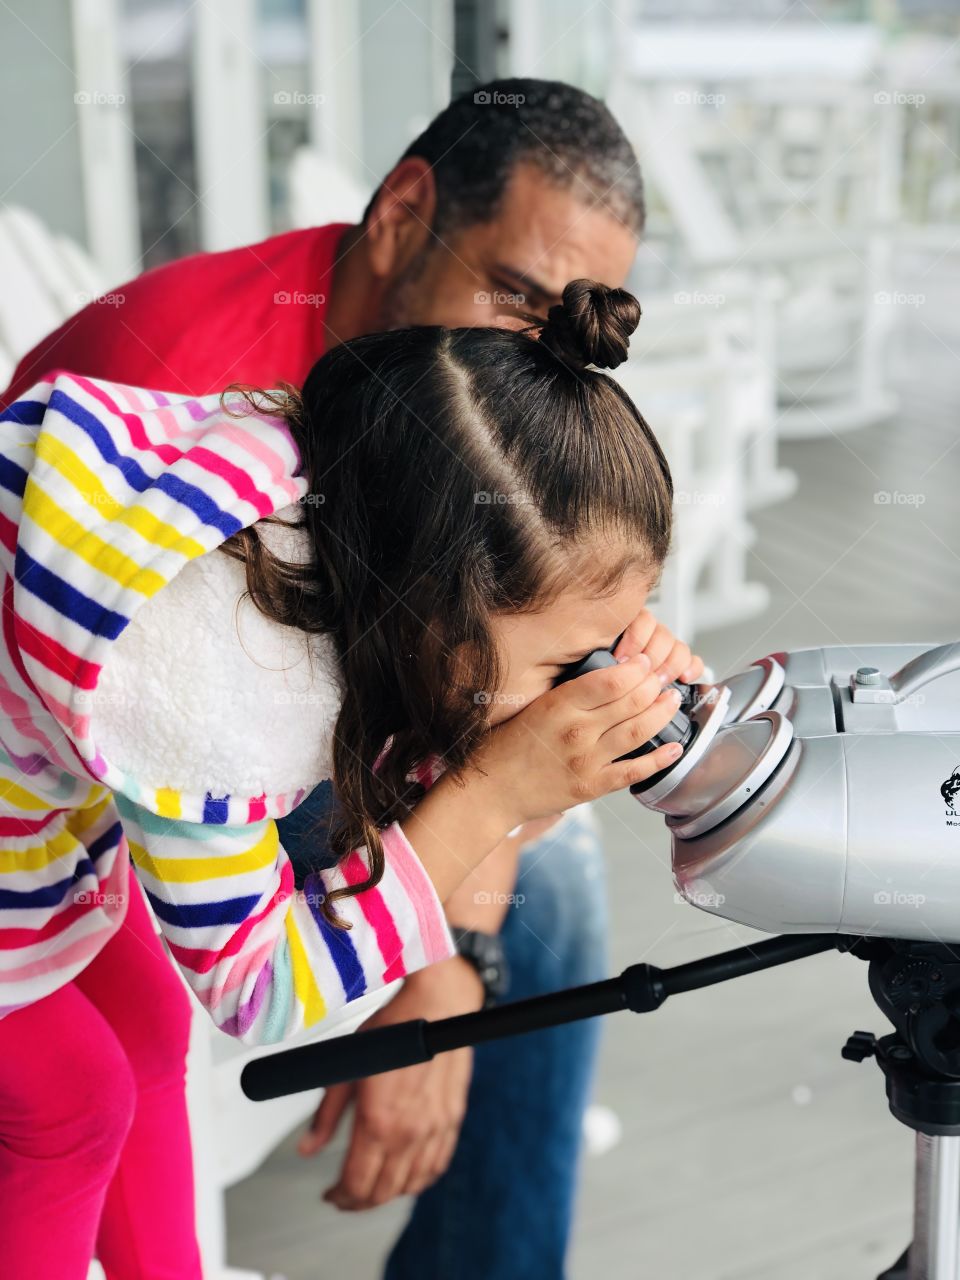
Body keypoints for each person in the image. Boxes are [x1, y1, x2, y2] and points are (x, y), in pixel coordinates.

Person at [3, 80, 703, 1280]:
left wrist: (582, 656)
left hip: (60, 775)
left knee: (143, 1024)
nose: (525, 348)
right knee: (67, 1098)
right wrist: (487, 795)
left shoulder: (386, 449)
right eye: (519, 297)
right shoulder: (205, 657)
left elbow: (389, 688)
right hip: (96, 749)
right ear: (401, 214)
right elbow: (259, 991)